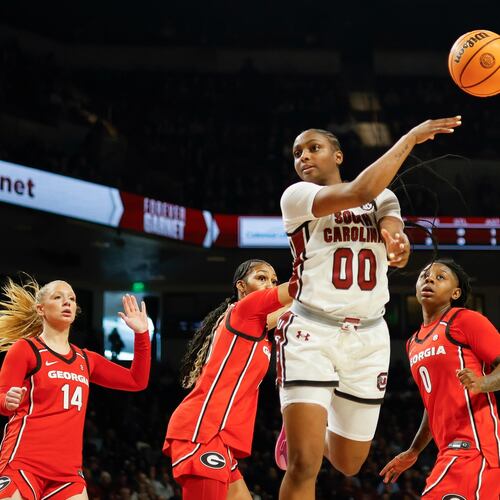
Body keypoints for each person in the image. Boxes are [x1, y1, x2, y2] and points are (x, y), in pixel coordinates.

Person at [274, 116, 462, 499]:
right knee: (304, 464)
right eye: (297, 153)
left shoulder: (384, 198)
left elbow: (394, 235)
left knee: (348, 463)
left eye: (314, 148)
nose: (304, 157)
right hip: (312, 331)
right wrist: (409, 138)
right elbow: (360, 191)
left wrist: (399, 247)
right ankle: (299, 431)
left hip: (369, 337)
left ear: (338, 155)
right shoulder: (296, 196)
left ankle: (308, 426)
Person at [0, 277, 151, 500]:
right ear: (41, 309)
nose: (67, 302)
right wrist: (7, 400)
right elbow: (3, 401)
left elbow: (137, 380)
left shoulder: (86, 359)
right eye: (58, 297)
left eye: (71, 298)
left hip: (67, 473)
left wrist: (141, 334)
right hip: (23, 463)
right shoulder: (25, 349)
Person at [163, 259, 291, 500]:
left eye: (274, 281)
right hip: (201, 433)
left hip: (220, 440)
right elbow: (299, 290)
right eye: (261, 278)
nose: (270, 285)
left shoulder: (257, 326)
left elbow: (298, 303)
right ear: (242, 287)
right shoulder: (244, 310)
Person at [380, 258, 500, 499]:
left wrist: (481, 383)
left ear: (455, 293)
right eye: (425, 275)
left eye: (440, 276)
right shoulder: (412, 342)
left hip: (476, 448)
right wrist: (414, 450)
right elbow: (432, 402)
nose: (430, 279)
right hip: (449, 451)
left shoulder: (465, 320)